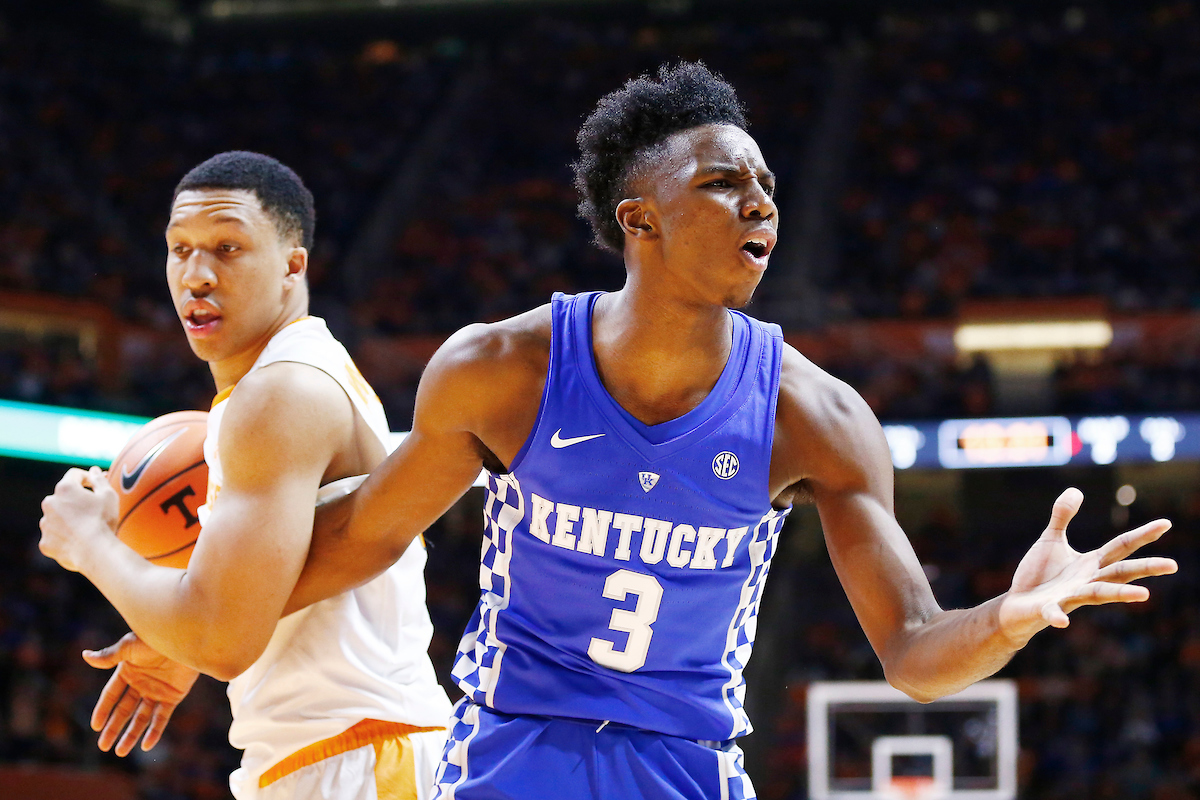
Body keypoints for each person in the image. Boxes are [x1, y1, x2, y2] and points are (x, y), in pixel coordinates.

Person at [277, 63, 1177, 799]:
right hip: (509, 756)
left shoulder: (815, 417)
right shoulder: (502, 370)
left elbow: (912, 652)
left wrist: (1008, 620)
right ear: (640, 220)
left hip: (688, 765)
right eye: (723, 184)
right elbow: (364, 534)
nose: (760, 205)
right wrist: (198, 621)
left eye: (767, 188)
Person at [38, 151, 452, 800]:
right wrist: (177, 644)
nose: (196, 276)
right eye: (180, 250)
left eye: (227, 249)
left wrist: (87, 542)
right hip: (348, 754)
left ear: (293, 264)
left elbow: (221, 638)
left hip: (354, 758)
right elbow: (298, 573)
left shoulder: (280, 392)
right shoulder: (293, 375)